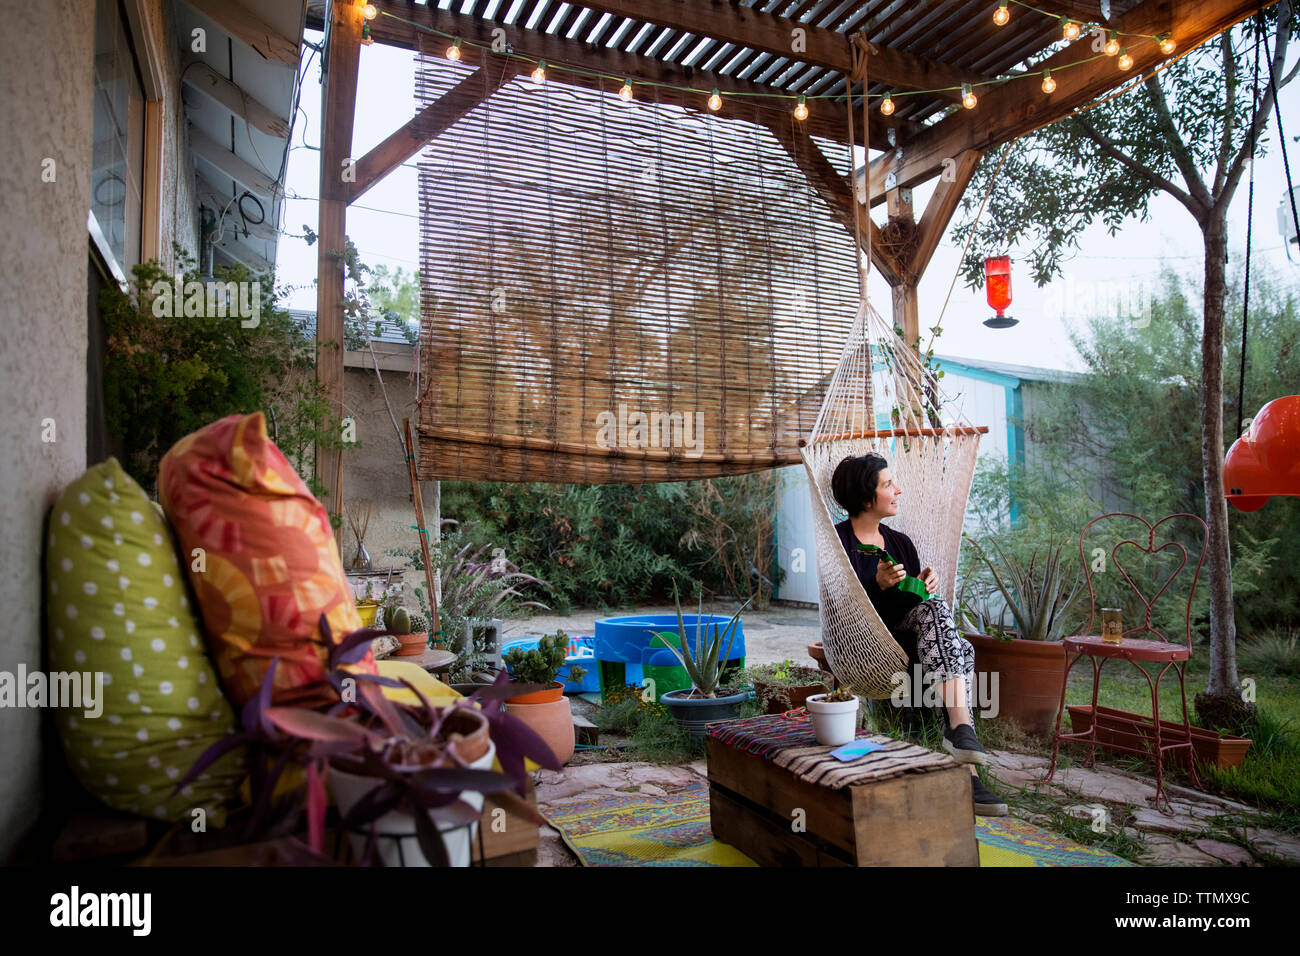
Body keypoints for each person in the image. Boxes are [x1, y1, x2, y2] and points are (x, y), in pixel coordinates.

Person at [831, 452, 1008, 817]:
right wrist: (876, 586)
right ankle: (966, 761)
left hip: (915, 648)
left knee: (945, 623)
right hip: (869, 650)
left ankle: (961, 743)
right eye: (888, 485)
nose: (899, 490)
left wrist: (928, 584)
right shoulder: (839, 546)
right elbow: (842, 611)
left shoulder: (901, 543)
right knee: (963, 652)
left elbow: (916, 605)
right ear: (867, 498)